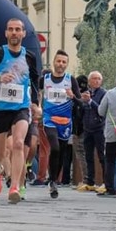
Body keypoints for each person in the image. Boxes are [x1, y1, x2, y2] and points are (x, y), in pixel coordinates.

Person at [0, 18, 41, 204]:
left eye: (18, 30)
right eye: (11, 30)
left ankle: (14, 186)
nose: (14, 33)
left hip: (21, 107)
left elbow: (35, 81)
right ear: (6, 33)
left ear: (22, 34)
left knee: (18, 144)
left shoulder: (29, 56)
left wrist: (36, 103)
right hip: (0, 108)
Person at [39, 50, 81, 199]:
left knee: (61, 152)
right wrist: (36, 105)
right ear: (54, 62)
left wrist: (73, 96)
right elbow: (33, 91)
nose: (60, 64)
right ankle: (52, 181)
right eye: (58, 61)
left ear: (67, 64)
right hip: (49, 119)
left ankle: (54, 180)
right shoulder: (45, 79)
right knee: (55, 147)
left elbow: (80, 102)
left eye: (64, 62)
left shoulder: (71, 80)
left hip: (65, 122)